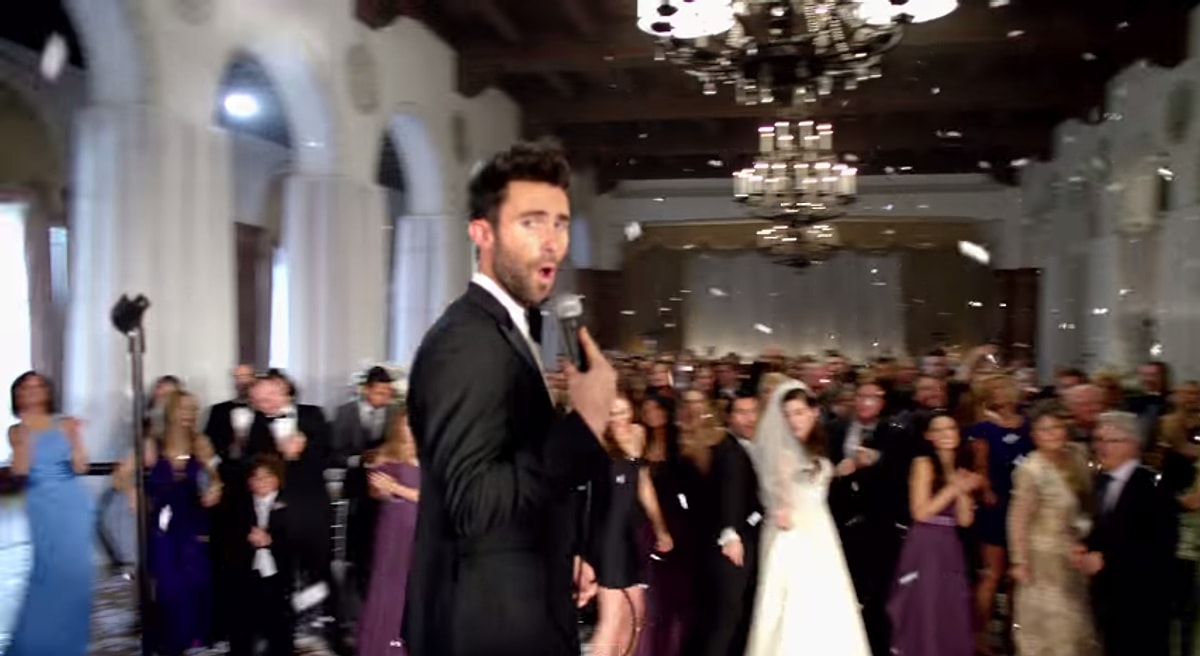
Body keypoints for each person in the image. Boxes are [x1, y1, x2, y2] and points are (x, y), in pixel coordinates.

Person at [402, 142, 618, 656]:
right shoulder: (466, 341)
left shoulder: (508, 329)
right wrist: (584, 425)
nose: (552, 242)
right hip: (484, 629)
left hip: (515, 606)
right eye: (531, 223)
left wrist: (556, 551)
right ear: (482, 233)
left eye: (560, 224)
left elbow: (511, 480)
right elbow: (473, 504)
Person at [744, 381, 870, 656]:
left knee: (825, 603)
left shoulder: (817, 445)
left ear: (814, 412)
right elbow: (781, 495)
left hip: (822, 533)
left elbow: (816, 487)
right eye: (788, 414)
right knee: (797, 604)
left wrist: (841, 471)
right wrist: (782, 507)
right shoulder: (785, 454)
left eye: (799, 412)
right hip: (796, 537)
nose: (793, 420)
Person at [6, 371, 94, 656]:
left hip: (72, 503)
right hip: (41, 504)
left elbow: (81, 466)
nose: (32, 391)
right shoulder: (16, 430)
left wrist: (76, 436)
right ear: (18, 394)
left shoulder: (65, 423)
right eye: (26, 388)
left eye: (38, 386)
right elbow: (20, 470)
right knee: (48, 571)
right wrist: (27, 433)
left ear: (47, 392)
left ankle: (69, 643)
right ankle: (37, 643)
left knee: (76, 573)